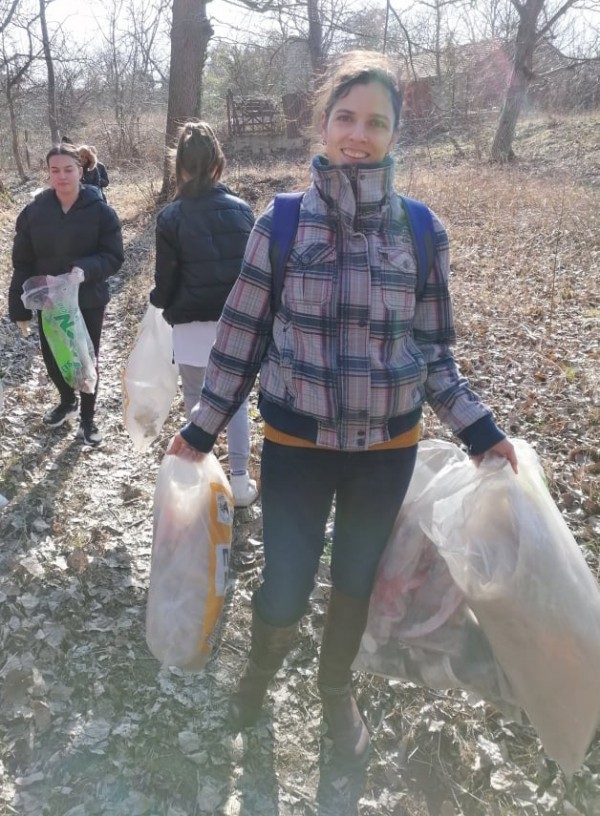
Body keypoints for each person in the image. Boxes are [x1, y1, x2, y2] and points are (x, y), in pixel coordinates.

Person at [167, 50, 518, 765]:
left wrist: (480, 430)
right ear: (322, 126)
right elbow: (242, 335)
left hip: (386, 454)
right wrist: (201, 428)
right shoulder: (283, 223)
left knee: (354, 588)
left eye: (376, 123)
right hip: (298, 447)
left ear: (395, 134)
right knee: (287, 589)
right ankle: (258, 679)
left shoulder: (422, 231)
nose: (359, 135)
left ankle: (334, 692)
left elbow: (434, 352)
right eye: (346, 118)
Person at [149, 121, 258, 507]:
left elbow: (165, 284)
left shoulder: (171, 217)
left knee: (197, 398)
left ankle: (202, 475)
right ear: (218, 163)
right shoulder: (244, 211)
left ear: (179, 166)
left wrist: (156, 298)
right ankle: (241, 482)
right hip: (237, 325)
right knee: (237, 401)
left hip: (191, 325)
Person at [8, 143, 124, 446]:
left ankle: (87, 419)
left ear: (81, 170)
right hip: (48, 301)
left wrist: (85, 269)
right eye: (54, 170)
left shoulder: (100, 211)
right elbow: (22, 261)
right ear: (48, 174)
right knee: (54, 358)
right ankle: (66, 401)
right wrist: (17, 306)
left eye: (68, 169)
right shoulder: (35, 212)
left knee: (85, 358)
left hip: (88, 298)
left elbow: (113, 256)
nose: (61, 176)